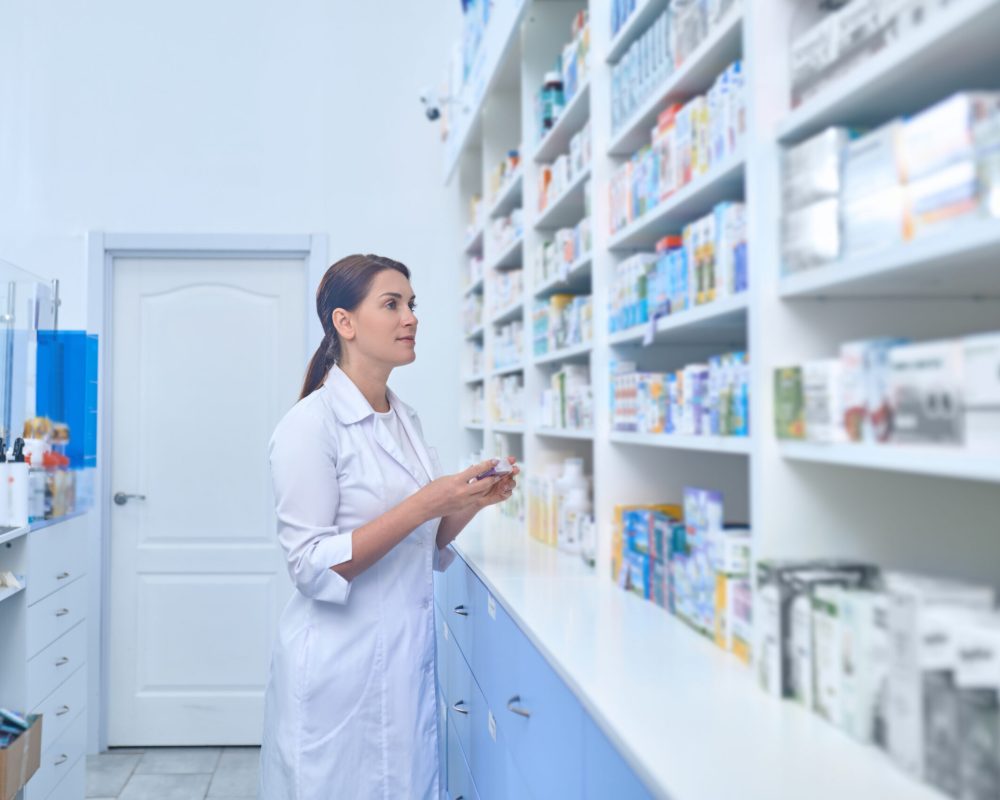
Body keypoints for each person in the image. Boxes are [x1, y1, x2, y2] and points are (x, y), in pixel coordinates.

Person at [258, 253, 517, 800]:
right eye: (391, 304)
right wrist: (426, 502)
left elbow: (424, 541)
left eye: (412, 304)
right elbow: (309, 565)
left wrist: (470, 502)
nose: (411, 318)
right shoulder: (309, 426)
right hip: (339, 667)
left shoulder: (404, 420)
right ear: (344, 323)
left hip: (399, 663)